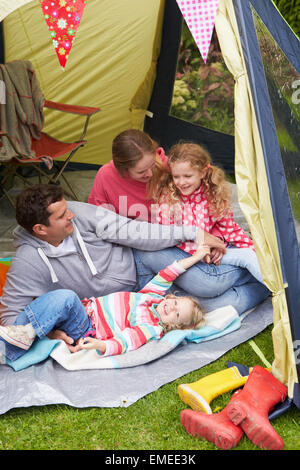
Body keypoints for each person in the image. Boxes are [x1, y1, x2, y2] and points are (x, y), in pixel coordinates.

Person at [0, 183, 225, 330]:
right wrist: (49, 336)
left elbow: (135, 231)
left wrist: (193, 233)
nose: (72, 214)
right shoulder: (28, 262)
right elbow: (9, 319)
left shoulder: (82, 214)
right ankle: (256, 285)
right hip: (129, 304)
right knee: (209, 308)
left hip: (139, 262)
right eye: (62, 215)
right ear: (40, 229)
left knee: (207, 285)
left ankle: (249, 262)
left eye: (67, 208)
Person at [0, 244, 210, 363]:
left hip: (85, 327)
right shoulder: (152, 297)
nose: (171, 308)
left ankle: (15, 344)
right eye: (176, 303)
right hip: (81, 312)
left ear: (175, 325)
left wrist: (102, 346)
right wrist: (198, 255)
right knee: (49, 300)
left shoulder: (151, 327)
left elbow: (127, 341)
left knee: (65, 297)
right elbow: (170, 272)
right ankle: (19, 333)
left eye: (176, 314)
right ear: (172, 297)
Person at [147, 142, 263, 284]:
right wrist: (208, 247)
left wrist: (250, 248)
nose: (181, 182)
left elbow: (228, 227)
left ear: (202, 173)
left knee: (252, 255)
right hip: (188, 256)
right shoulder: (168, 198)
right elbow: (171, 234)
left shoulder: (212, 193)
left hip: (214, 251)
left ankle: (281, 289)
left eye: (187, 176)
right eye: (176, 176)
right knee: (243, 261)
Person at [88, 128, 168, 222]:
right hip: (122, 230)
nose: (150, 174)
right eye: (141, 172)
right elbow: (96, 214)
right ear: (123, 169)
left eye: (153, 165)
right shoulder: (106, 175)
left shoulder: (171, 169)